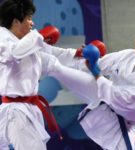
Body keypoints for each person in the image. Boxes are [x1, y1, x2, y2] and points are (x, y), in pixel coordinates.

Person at [44, 29, 135, 150]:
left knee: (57, 68)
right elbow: (94, 64)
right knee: (56, 67)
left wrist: (96, 72)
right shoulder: (128, 55)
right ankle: (41, 50)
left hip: (123, 120)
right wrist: (84, 56)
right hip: (103, 98)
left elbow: (122, 100)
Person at [0, 0, 83, 149]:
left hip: (29, 108)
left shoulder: (29, 41)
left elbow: (52, 54)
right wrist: (39, 36)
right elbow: (14, 53)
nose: (32, 23)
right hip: (15, 111)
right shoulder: (3, 39)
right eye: (29, 18)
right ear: (16, 21)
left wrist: (77, 53)